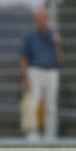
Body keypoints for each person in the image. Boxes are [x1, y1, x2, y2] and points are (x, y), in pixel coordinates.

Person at [20, 9, 62, 141]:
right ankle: (32, 133)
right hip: (35, 70)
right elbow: (24, 58)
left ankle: (50, 135)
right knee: (33, 102)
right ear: (35, 20)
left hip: (51, 71)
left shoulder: (53, 35)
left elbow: (59, 58)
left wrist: (58, 44)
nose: (42, 21)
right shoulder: (30, 36)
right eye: (39, 18)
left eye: (44, 18)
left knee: (51, 104)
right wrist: (25, 76)